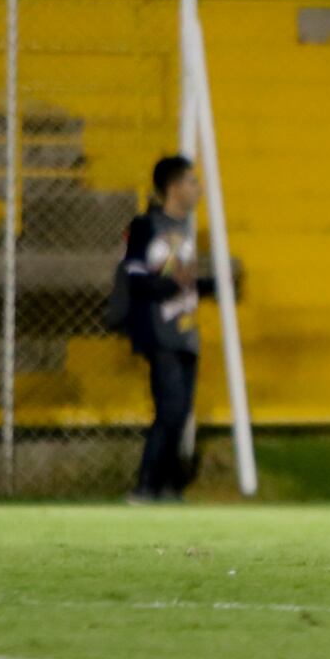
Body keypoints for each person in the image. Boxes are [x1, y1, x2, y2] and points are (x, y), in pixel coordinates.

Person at [123, 155, 213, 504]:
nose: (198, 188)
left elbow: (188, 282)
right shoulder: (146, 227)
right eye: (192, 182)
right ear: (174, 187)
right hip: (160, 332)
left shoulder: (187, 229)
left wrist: (208, 286)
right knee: (172, 408)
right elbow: (134, 278)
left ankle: (168, 489)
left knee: (180, 411)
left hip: (186, 331)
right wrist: (172, 284)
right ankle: (146, 486)